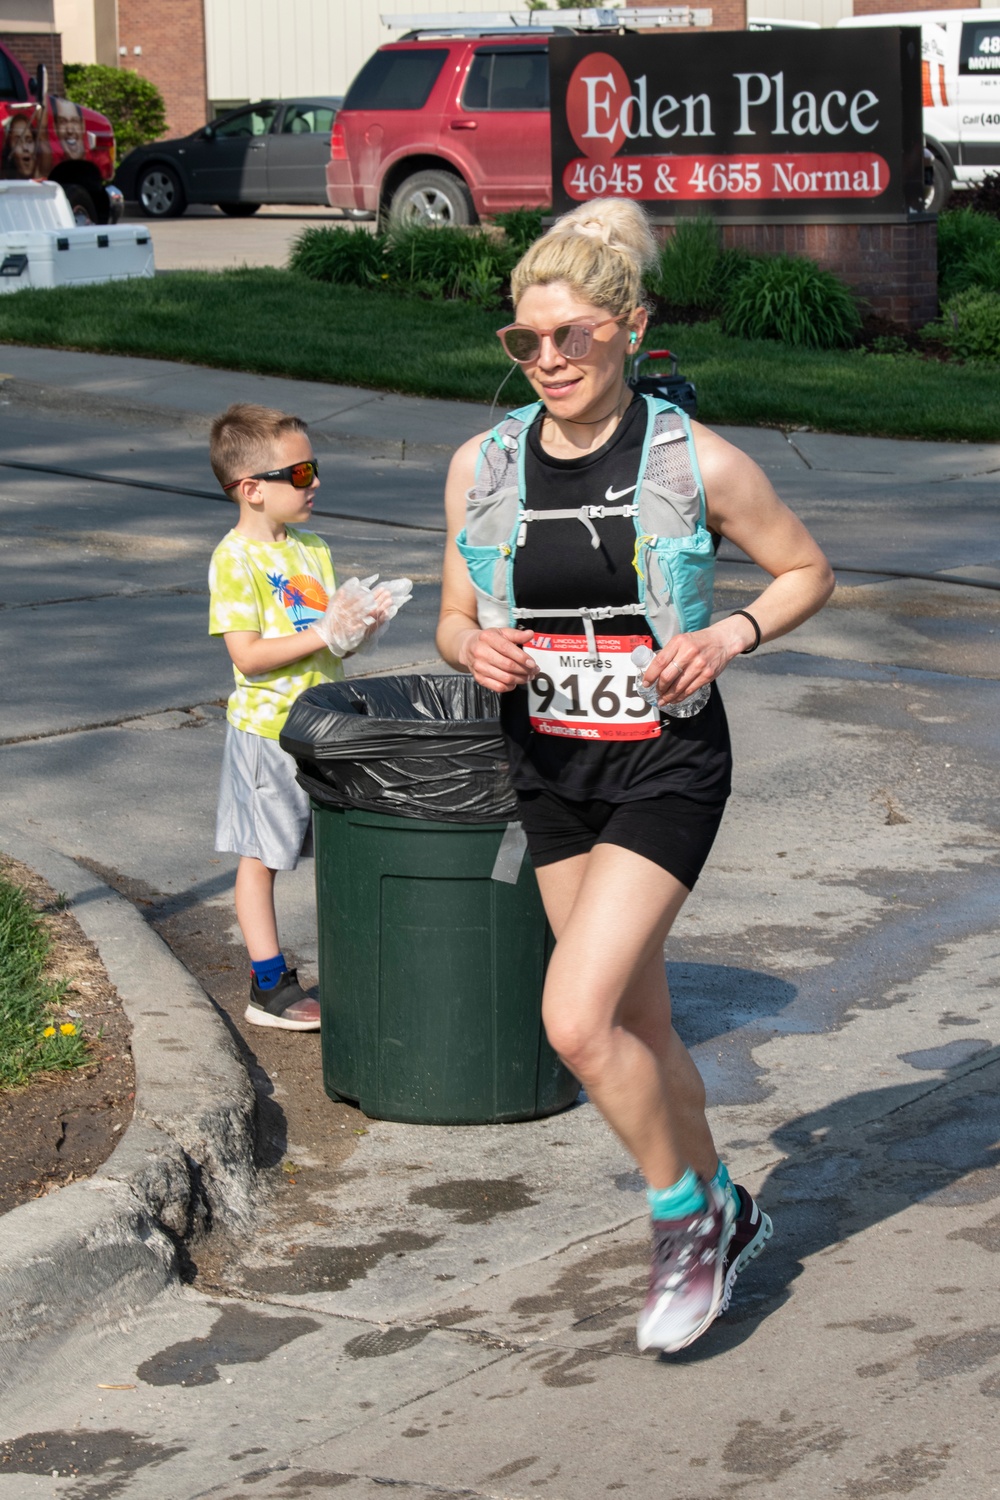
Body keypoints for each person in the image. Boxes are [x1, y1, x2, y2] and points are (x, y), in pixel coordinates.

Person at [436, 199, 834, 1353]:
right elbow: (456, 620)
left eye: (570, 337)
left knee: (574, 1020)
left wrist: (729, 637)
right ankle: (730, 1202)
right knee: (642, 1024)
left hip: (664, 763)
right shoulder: (482, 463)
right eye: (525, 342)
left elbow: (805, 568)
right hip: (548, 764)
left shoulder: (692, 458)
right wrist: (478, 647)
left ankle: (683, 1221)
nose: (547, 360)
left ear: (628, 328)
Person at [209, 403, 410, 1031]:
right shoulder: (234, 559)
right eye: (299, 473)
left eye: (313, 467)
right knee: (262, 855)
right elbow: (248, 655)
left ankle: (357, 962)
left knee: (347, 845)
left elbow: (330, 644)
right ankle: (267, 984)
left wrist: (359, 626)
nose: (314, 481)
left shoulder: (313, 548)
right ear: (252, 490)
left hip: (324, 727)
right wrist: (325, 627)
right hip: (268, 733)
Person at [1, 112, 37, 178]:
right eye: (18, 142)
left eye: (29, 141)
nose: (25, 147)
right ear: (9, 147)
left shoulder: (49, 184)